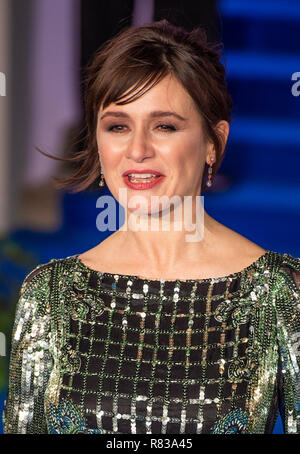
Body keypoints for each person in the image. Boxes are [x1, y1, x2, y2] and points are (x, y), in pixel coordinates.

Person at [2, 20, 300, 434]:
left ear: (214, 142)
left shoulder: (277, 293)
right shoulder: (50, 296)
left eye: (165, 126)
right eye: (118, 126)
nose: (138, 149)